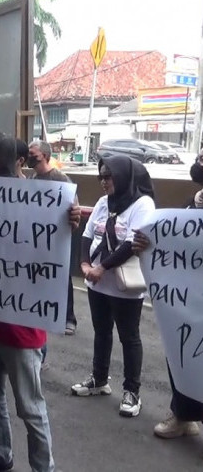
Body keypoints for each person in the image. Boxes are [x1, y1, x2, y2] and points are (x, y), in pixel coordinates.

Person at [0, 131, 78, 472]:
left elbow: (59, 258)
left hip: (22, 330)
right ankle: (0, 456)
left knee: (30, 409)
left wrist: (69, 225)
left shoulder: (46, 201)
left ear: (11, 166)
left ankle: (42, 467)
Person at [71, 155, 155, 419]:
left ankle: (132, 391)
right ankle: (99, 379)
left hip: (123, 285)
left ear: (123, 176)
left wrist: (101, 268)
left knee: (129, 337)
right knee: (101, 332)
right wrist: (85, 264)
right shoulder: (103, 202)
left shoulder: (142, 204)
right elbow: (87, 233)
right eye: (101, 177)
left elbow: (132, 244)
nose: (103, 182)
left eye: (108, 177)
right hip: (97, 282)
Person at [131, 150, 203, 438]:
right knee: (183, 353)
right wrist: (146, 245)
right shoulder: (194, 202)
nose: (200, 162)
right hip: (189, 301)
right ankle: (184, 416)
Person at [28, 141, 78, 335]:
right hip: (38, 237)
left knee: (63, 276)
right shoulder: (32, 179)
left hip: (58, 236)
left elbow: (73, 205)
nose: (31, 158)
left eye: (34, 155)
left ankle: (68, 318)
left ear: (46, 156)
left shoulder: (61, 178)